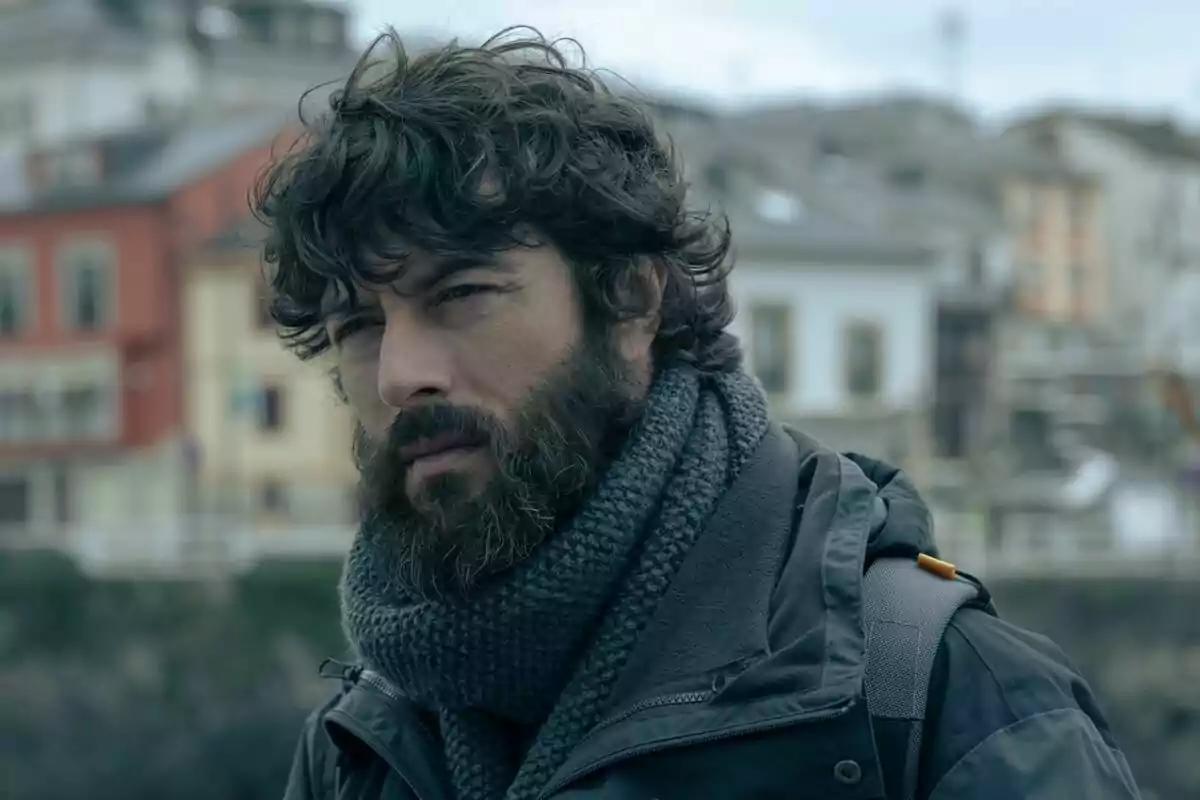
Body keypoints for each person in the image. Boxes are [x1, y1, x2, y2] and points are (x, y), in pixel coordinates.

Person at [257, 27, 1142, 800]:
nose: (402, 375)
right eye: (361, 327)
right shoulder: (361, 747)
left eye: (461, 293)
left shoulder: (953, 705)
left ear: (631, 300)